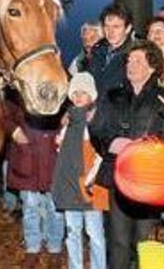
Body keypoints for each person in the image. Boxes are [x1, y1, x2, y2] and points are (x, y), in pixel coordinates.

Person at [89, 40, 164, 269]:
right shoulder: (113, 96)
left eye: (138, 60)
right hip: (118, 177)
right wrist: (111, 144)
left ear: (152, 66)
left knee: (146, 242)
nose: (131, 64)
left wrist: (150, 150)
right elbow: (97, 130)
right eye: (129, 60)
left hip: (150, 181)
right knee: (118, 242)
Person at [51, 72, 108, 269]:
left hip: (90, 186)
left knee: (95, 234)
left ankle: (98, 266)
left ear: (92, 95)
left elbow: (101, 153)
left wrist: (92, 178)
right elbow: (63, 155)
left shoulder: (94, 121)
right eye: (75, 92)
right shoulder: (68, 122)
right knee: (73, 231)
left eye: (83, 93)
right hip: (69, 184)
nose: (78, 97)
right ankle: (75, 266)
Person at [5, 96, 64, 269]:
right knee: (30, 207)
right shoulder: (19, 88)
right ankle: (32, 247)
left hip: (54, 155)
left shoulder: (59, 84)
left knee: (55, 209)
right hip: (28, 154)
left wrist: (64, 127)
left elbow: (71, 107)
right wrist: (14, 130)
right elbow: (4, 113)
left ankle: (55, 248)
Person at [87, 4, 134, 98]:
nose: (110, 31)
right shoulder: (96, 52)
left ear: (128, 29)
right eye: (106, 26)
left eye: (116, 27)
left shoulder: (135, 56)